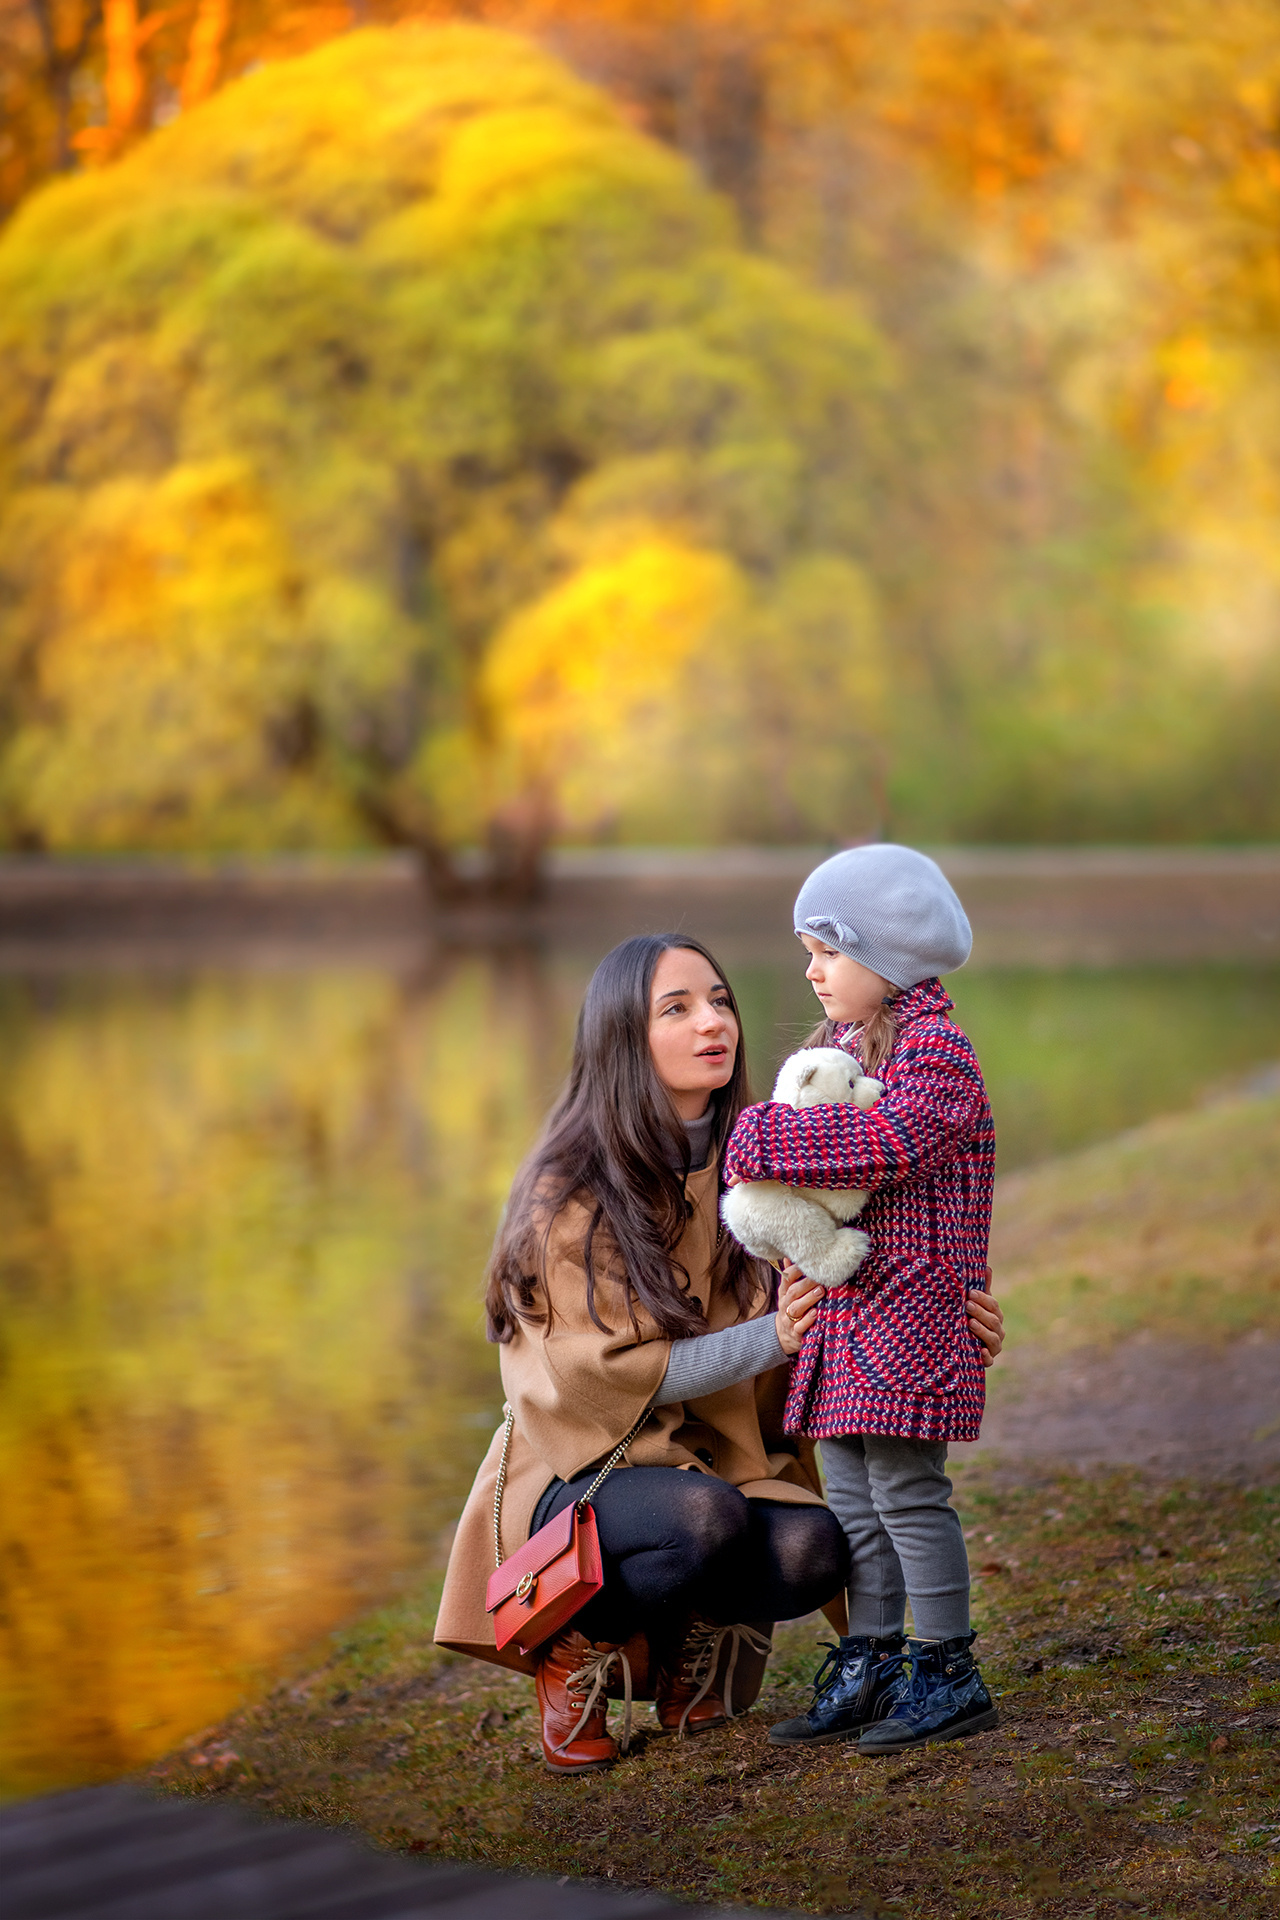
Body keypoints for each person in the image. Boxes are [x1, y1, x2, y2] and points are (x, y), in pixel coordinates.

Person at [435, 930, 1004, 1775]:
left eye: (721, 1001)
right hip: (587, 1469)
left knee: (817, 1547)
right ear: (625, 1039)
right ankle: (575, 1650)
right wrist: (769, 1336)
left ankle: (696, 1638)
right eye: (678, 1008)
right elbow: (595, 1379)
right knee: (705, 1522)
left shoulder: (771, 1150)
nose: (715, 1023)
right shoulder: (572, 1189)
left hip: (722, 1458)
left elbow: (876, 1246)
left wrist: (951, 1310)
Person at [723, 845, 1000, 1753]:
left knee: (907, 1490)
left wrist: (757, 1134)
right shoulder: (836, 1048)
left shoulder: (938, 1054)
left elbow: (887, 1142)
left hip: (913, 1314)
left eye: (827, 951)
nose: (811, 971)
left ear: (887, 953)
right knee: (848, 1493)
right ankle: (873, 1657)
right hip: (845, 1321)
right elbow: (812, 1189)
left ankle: (947, 1664)